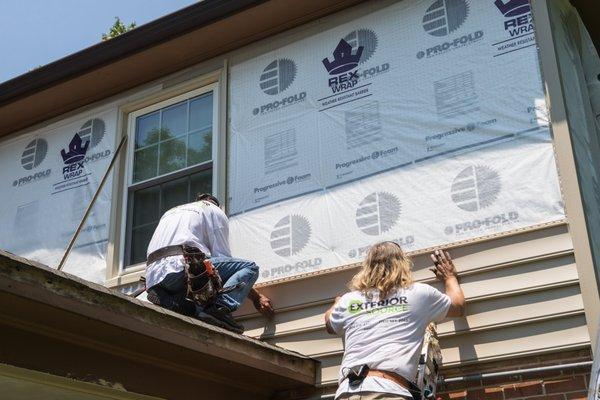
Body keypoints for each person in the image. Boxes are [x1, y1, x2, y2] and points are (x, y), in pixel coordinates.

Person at [324, 241, 465, 400]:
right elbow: (458, 306)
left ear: (367, 267)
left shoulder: (349, 300)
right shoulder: (418, 293)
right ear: (403, 264)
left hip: (347, 392)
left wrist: (337, 303)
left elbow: (329, 323)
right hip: (388, 391)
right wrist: (449, 277)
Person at [145, 193, 273, 333]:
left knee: (194, 308)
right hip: (182, 268)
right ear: (214, 204)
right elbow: (222, 257)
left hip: (154, 279)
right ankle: (218, 309)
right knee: (249, 267)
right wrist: (256, 297)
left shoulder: (170, 212)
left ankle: (178, 303)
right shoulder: (213, 210)